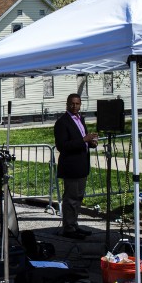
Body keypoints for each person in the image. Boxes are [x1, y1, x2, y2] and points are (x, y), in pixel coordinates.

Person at [54, 94, 98, 239]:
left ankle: (74, 224)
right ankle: (68, 228)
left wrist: (90, 143)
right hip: (71, 166)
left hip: (82, 165)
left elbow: (82, 140)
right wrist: (84, 139)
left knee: (78, 198)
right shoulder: (62, 122)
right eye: (72, 104)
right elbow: (62, 145)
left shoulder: (81, 119)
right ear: (67, 104)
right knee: (71, 198)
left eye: (77, 104)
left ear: (80, 104)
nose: (75, 106)